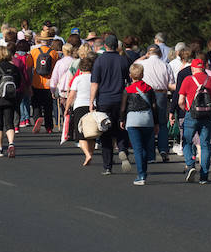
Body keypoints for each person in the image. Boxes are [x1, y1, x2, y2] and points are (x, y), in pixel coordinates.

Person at [178, 58, 211, 184]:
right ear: (204, 67)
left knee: (187, 141)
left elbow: (180, 101)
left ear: (193, 68)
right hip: (207, 116)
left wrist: (187, 110)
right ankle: (204, 176)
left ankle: (190, 165)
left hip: (191, 115)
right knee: (205, 145)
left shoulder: (188, 80)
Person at [89, 34, 130, 175]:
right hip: (119, 99)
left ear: (105, 46)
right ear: (117, 46)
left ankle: (107, 166)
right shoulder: (123, 60)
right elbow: (128, 81)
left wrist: (91, 102)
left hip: (104, 100)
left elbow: (95, 83)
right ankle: (123, 148)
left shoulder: (99, 61)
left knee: (105, 132)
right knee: (120, 126)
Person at [120, 64, 158, 185]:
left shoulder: (127, 90)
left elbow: (123, 108)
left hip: (133, 119)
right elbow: (154, 107)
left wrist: (122, 120)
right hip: (147, 119)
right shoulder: (149, 88)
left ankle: (141, 175)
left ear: (130, 76)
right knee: (145, 147)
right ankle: (144, 173)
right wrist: (156, 123)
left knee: (137, 148)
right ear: (142, 75)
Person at [137, 44, 175, 162]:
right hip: (160, 93)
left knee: (148, 123)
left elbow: (132, 66)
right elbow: (171, 83)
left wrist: (144, 57)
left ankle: (150, 152)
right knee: (162, 122)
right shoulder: (166, 65)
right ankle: (163, 148)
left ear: (148, 53)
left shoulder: (142, 64)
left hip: (145, 94)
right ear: (160, 53)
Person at [65, 56, 96, 166]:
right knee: (92, 133)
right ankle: (91, 152)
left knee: (80, 134)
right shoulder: (94, 77)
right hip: (93, 106)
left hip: (79, 106)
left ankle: (87, 154)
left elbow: (72, 95)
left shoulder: (78, 79)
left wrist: (67, 107)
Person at [29, 30, 59, 133]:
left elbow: (29, 67)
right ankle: (49, 127)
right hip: (48, 84)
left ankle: (37, 118)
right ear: (50, 41)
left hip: (36, 82)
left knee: (36, 104)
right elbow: (56, 69)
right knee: (48, 107)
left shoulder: (33, 52)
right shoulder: (54, 53)